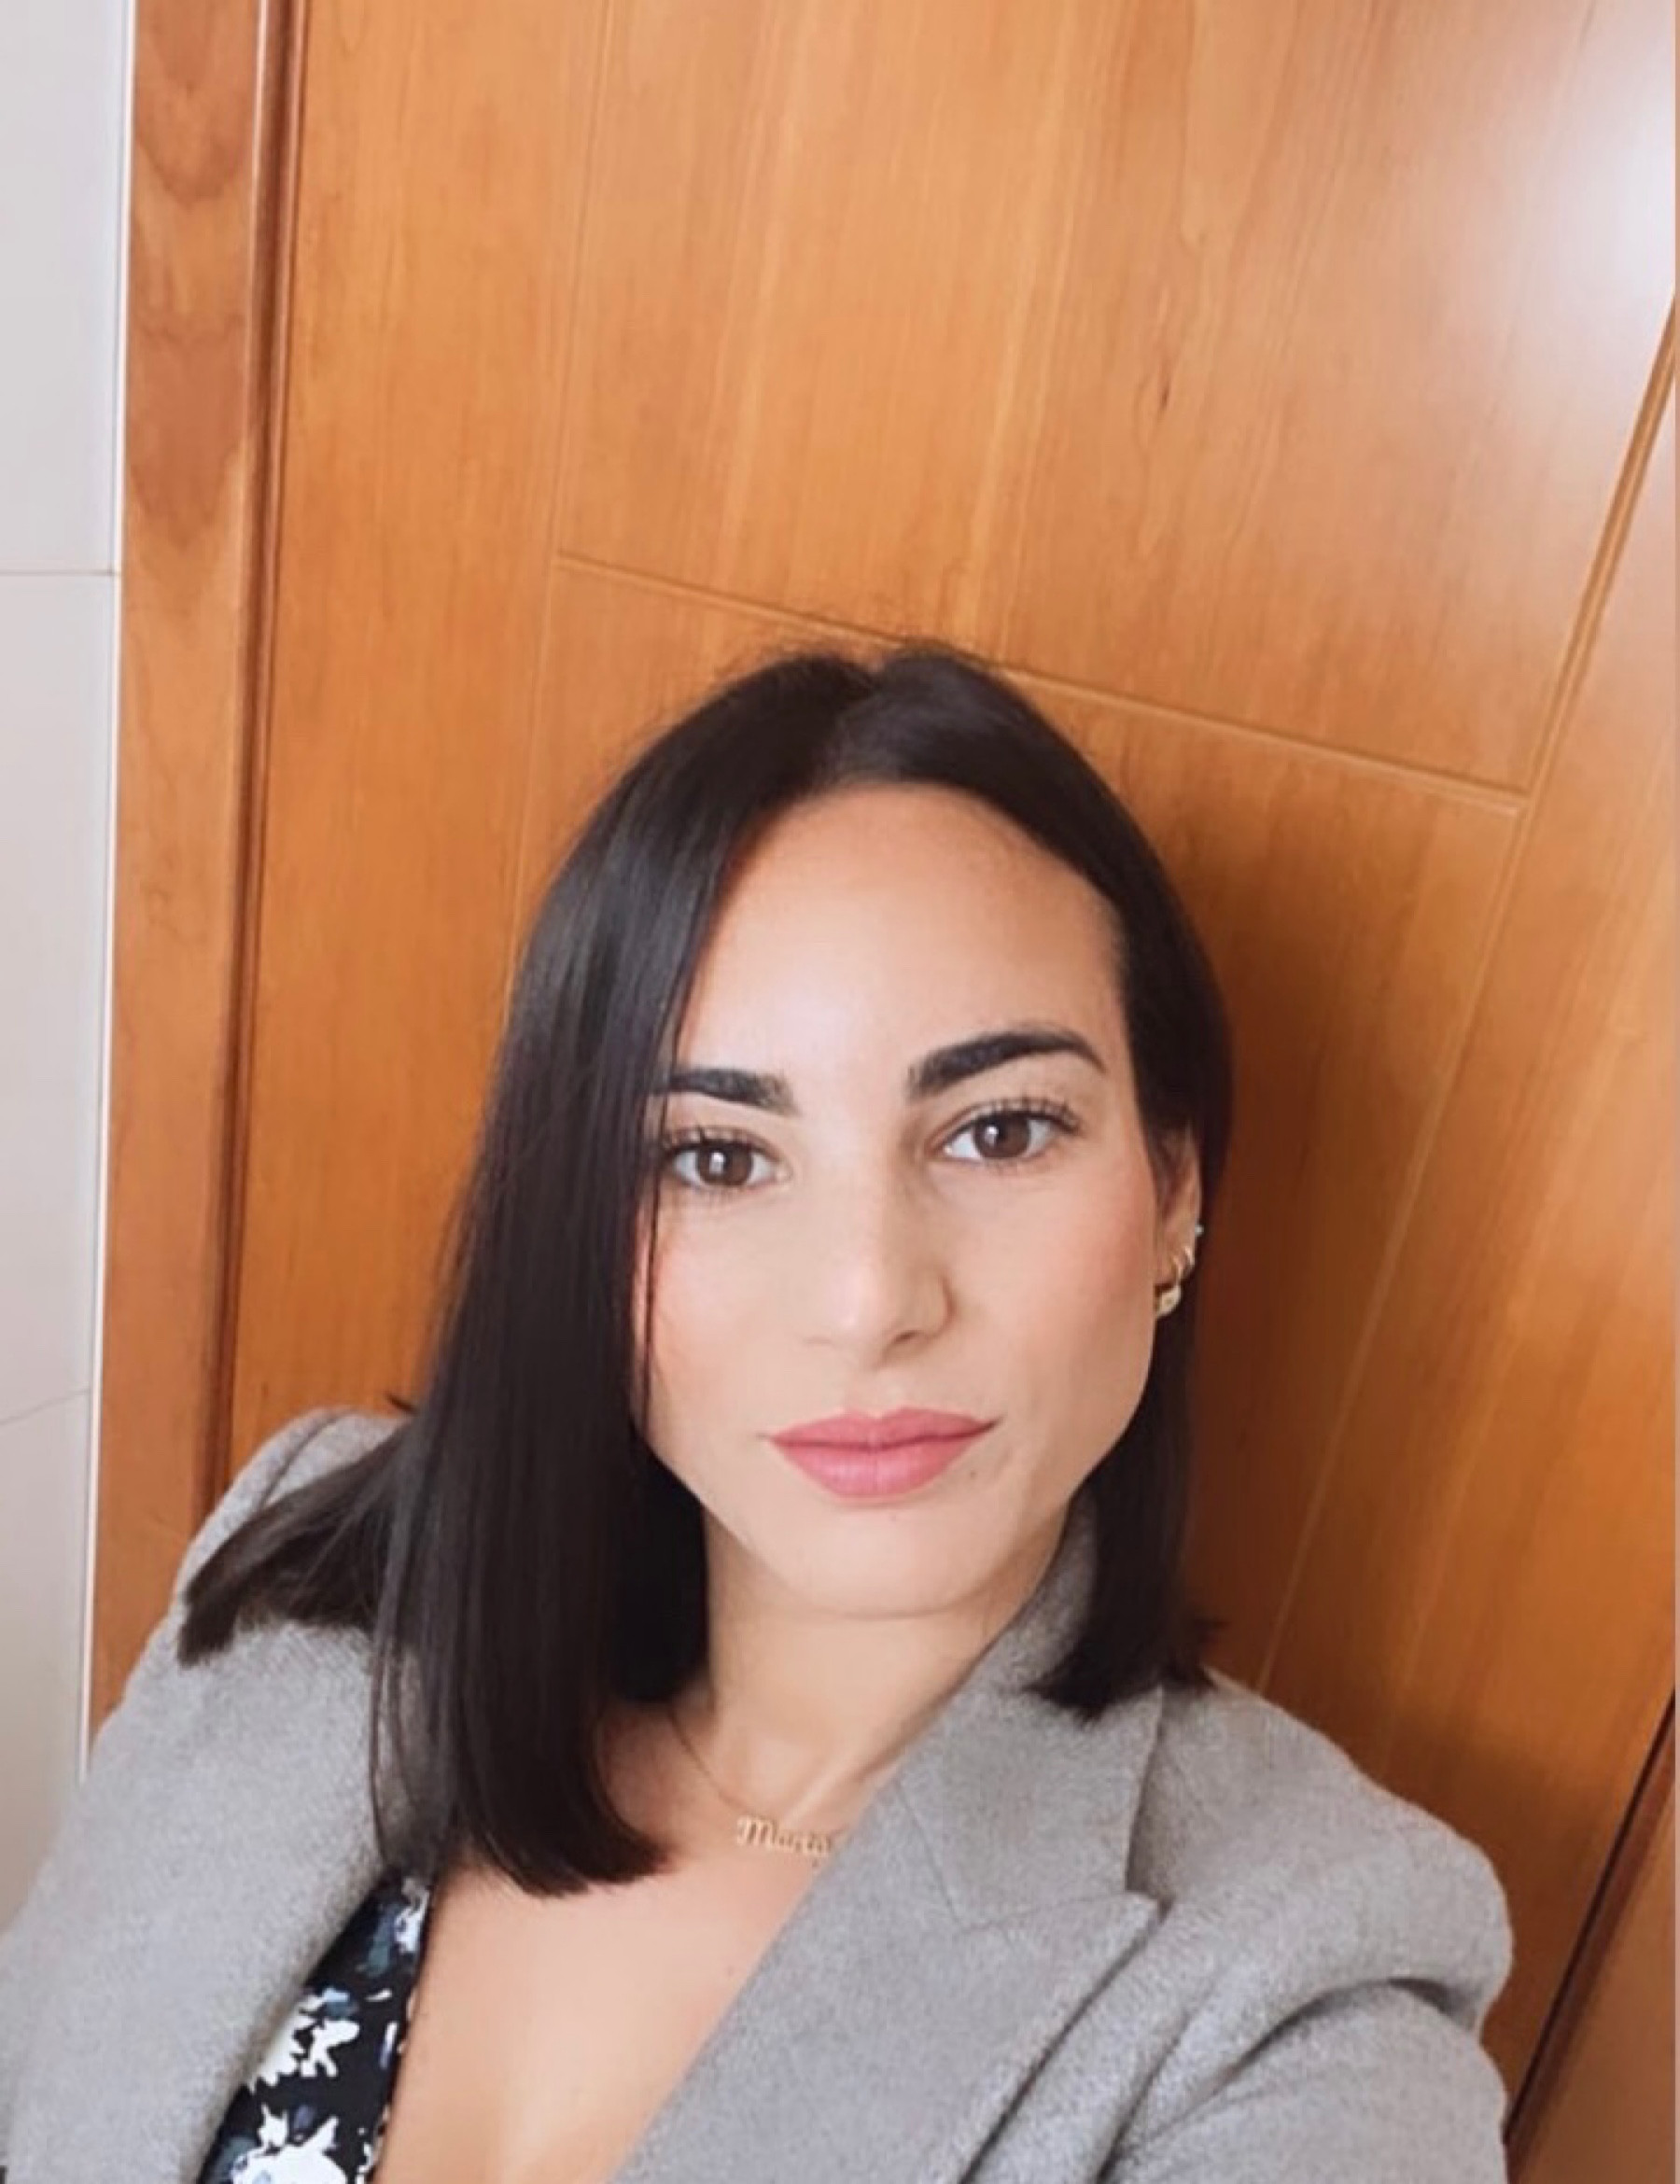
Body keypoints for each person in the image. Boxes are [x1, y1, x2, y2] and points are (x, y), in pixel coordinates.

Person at [0, 647, 1511, 2182]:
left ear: (1176, 1188)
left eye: (999, 1131)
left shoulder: (1299, 1996)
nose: (868, 1299)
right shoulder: (313, 1576)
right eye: (716, 1158)